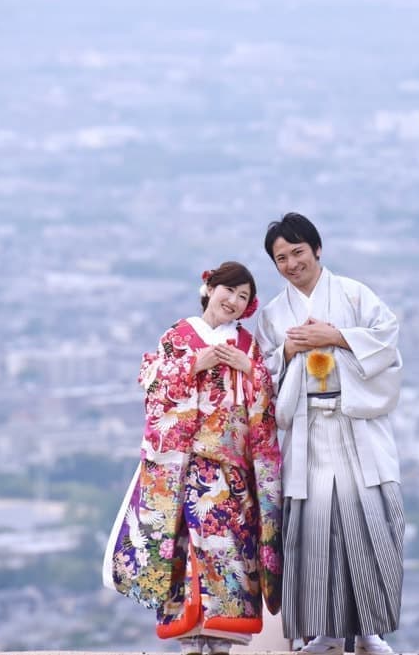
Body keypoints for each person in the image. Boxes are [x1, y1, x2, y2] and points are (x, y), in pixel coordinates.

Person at [104, 261, 283, 655]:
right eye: (229, 290)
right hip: (183, 471)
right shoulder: (179, 336)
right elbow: (153, 386)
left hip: (232, 476)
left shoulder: (247, 347)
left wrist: (250, 372)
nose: (234, 301)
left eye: (243, 297)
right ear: (209, 288)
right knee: (182, 555)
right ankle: (189, 639)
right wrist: (195, 364)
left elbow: (265, 407)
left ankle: (222, 642)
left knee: (230, 552)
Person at [255, 213, 404, 655]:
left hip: (355, 424)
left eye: (298, 252)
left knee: (369, 526)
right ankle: (327, 633)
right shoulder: (274, 315)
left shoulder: (356, 295)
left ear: (317, 250)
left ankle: (370, 632)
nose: (291, 263)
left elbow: (387, 341)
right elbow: (262, 374)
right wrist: (287, 349)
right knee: (314, 534)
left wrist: (336, 336)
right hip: (305, 432)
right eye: (281, 257)